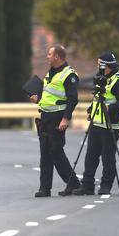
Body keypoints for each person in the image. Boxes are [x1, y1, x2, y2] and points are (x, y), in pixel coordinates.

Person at [73, 52, 119, 196]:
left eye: (100, 64)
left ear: (107, 65)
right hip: (96, 124)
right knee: (90, 156)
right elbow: (98, 97)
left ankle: (106, 185)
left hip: (110, 125)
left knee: (107, 157)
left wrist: (109, 109)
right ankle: (87, 186)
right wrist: (91, 110)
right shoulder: (101, 79)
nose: (98, 66)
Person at [29, 44, 82, 197]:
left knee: (56, 151)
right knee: (45, 153)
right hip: (45, 117)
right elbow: (49, 96)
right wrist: (37, 99)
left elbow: (73, 99)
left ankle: (73, 183)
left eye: (49, 54)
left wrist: (66, 119)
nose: (47, 56)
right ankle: (44, 188)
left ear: (57, 56)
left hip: (58, 118)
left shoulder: (69, 75)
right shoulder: (50, 73)